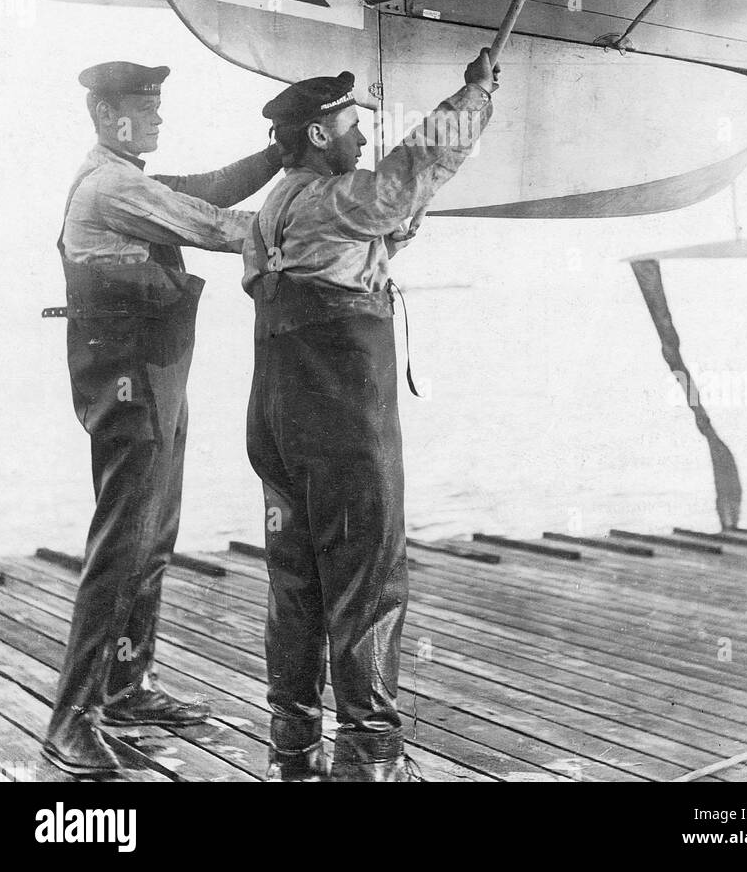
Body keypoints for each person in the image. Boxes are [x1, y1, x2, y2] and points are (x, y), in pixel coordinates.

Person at [243, 47, 500, 782]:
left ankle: (293, 754)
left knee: (296, 585)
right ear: (320, 135)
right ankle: (371, 765)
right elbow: (404, 178)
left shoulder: (276, 210)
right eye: (353, 127)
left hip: (276, 418)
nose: (362, 140)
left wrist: (395, 223)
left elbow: (378, 225)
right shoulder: (331, 198)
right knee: (368, 579)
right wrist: (473, 96)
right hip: (342, 418)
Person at [43, 61, 285, 778]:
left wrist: (277, 156)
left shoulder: (124, 176)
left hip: (154, 376)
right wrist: (315, 213)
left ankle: (124, 686)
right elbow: (213, 223)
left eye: (155, 107)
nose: (155, 119)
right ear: (107, 114)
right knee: (122, 546)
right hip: (130, 382)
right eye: (144, 109)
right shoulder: (112, 186)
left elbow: (208, 188)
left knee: (153, 538)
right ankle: (71, 720)